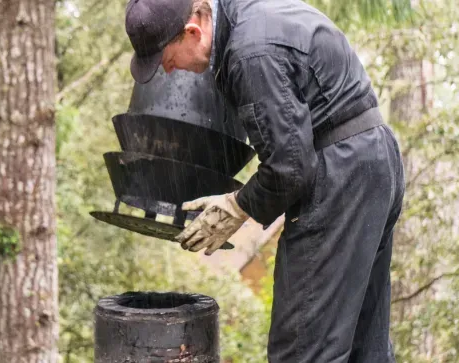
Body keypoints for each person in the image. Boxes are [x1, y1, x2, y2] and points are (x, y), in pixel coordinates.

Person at [124, 0, 405, 361]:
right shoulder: (245, 16)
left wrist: (237, 205)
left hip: (341, 176)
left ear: (193, 32)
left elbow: (289, 167)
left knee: (303, 349)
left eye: (167, 58)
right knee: (366, 349)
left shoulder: (249, 53)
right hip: (372, 160)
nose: (168, 69)